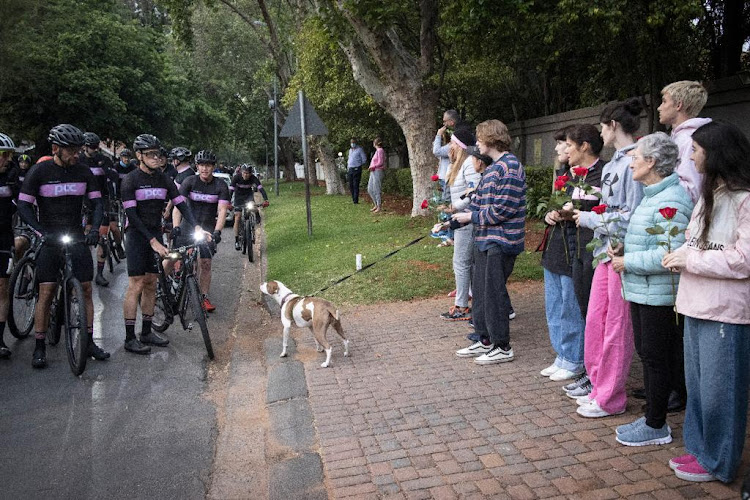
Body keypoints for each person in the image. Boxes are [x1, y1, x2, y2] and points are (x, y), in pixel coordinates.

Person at [662, 121, 750, 483]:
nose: (691, 155)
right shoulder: (708, 196)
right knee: (699, 388)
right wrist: (678, 253)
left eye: (696, 150)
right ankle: (700, 450)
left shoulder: (745, 199)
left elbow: (744, 259)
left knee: (721, 393)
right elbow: (696, 243)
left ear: (716, 155)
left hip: (725, 313)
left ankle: (719, 461)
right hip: (694, 305)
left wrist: (690, 260)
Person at [608, 132, 692, 445]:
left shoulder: (670, 200)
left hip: (659, 294)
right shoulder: (652, 196)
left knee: (656, 358)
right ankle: (652, 420)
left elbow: (670, 254)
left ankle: (656, 425)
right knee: (650, 356)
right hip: (644, 291)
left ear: (652, 162)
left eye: (636, 157)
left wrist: (627, 262)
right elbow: (650, 243)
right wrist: (621, 249)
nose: (630, 162)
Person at [572, 99, 644, 417]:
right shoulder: (614, 164)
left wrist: (586, 219)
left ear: (613, 125)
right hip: (603, 251)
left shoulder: (635, 163)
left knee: (616, 325)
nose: (601, 132)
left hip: (621, 253)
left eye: (602, 126)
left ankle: (611, 397)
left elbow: (632, 216)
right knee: (596, 321)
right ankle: (598, 386)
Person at [17, 124, 108, 368]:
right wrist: (39, 231)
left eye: (78, 150)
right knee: (46, 292)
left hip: (76, 236)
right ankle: (39, 346)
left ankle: (88, 342)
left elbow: (98, 204)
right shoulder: (39, 172)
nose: (76, 154)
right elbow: (24, 206)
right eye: (70, 150)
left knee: (86, 289)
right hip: (49, 237)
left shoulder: (84, 172)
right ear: (56, 148)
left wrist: (94, 230)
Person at [120, 134, 202, 354]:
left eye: (159, 154)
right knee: (136, 284)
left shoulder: (164, 179)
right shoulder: (130, 180)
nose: (157, 158)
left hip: (155, 231)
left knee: (151, 283)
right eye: (151, 155)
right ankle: (129, 338)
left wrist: (194, 225)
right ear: (139, 156)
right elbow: (132, 215)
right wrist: (152, 241)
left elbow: (180, 203)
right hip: (137, 234)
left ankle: (146, 331)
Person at [453, 120, 526, 365]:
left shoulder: (511, 167)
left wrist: (470, 216)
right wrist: (455, 220)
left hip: (501, 242)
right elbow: (480, 202)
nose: (477, 144)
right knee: (482, 294)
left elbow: (502, 210)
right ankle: (484, 338)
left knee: (494, 295)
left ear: (491, 139)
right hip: (485, 240)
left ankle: (502, 345)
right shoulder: (494, 167)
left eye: (480, 139)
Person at [539, 126, 587, 383]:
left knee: (570, 308)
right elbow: (551, 207)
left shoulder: (587, 178)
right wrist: (549, 215)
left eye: (563, 144)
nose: (559, 149)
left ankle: (574, 357)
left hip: (572, 250)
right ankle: (562, 354)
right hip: (555, 248)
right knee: (554, 307)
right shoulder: (562, 176)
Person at [173, 150, 230, 312]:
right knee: (173, 256)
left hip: (207, 229)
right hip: (187, 226)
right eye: (202, 165)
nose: (205, 169)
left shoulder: (220, 185)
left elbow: (222, 211)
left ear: (213, 167)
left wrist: (218, 231)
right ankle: (158, 284)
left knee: (205, 263)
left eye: (208, 166)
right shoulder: (190, 182)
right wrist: (176, 226)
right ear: (197, 166)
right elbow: (179, 207)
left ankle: (203, 297)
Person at [437, 129, 478, 321]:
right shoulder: (458, 164)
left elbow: (474, 193)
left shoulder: (469, 163)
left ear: (460, 146)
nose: (449, 147)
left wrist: (455, 207)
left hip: (467, 221)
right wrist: (449, 207)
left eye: (452, 143)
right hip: (459, 220)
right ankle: (473, 302)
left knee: (461, 263)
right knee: (463, 263)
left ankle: (462, 306)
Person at [79, 132, 122, 286]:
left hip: (102, 200)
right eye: (91, 147)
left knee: (102, 238)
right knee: (84, 237)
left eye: (96, 147)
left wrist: (105, 168)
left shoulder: (104, 159)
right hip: (83, 201)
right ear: (84, 147)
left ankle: (99, 274)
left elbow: (115, 177)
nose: (95, 150)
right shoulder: (79, 160)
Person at [658, 81, 711, 203]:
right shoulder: (679, 137)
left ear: (678, 105)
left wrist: (655, 177)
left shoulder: (689, 140)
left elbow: (693, 192)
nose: (659, 107)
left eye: (664, 101)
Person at [0, 132, 18, 359]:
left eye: (9, 155)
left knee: (2, 287)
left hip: (3, 235)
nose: (7, 160)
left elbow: (23, 203)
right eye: (3, 155)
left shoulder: (11, 177)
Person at [231, 164, 269, 250]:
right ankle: (237, 240)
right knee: (237, 217)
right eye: (244, 173)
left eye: (248, 173)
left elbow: (261, 189)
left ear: (251, 173)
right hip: (238, 197)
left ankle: (257, 215)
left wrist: (266, 200)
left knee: (253, 206)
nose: (246, 175)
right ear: (241, 172)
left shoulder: (253, 178)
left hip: (248, 196)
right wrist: (228, 203)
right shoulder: (236, 178)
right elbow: (230, 190)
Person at [367, 137, 386, 213]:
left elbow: (380, 162)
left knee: (376, 188)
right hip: (373, 171)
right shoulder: (377, 151)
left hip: (377, 171)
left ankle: (379, 206)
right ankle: (376, 204)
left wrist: (373, 166)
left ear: (375, 143)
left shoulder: (380, 150)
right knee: (370, 189)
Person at [346, 138, 367, 204]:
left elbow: (364, 159)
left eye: (353, 142)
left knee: (355, 185)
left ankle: (356, 200)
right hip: (350, 169)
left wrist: (358, 164)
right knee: (351, 185)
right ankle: (353, 199)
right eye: (351, 143)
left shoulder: (360, 150)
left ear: (356, 143)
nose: (352, 144)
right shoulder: (350, 150)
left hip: (357, 169)